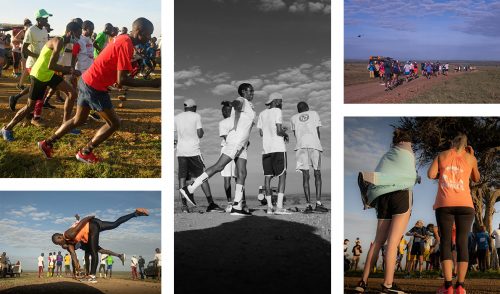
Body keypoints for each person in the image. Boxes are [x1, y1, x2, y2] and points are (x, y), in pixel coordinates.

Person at [37, 18, 161, 163]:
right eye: (148, 34)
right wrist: (153, 83)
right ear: (139, 31)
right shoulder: (126, 43)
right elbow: (123, 80)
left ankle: (47, 143)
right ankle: (85, 152)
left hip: (86, 80)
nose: (149, 38)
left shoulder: (122, 38)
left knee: (78, 119)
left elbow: (111, 62)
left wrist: (114, 78)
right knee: (114, 123)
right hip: (94, 86)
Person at [355, 128, 418, 293]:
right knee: (393, 242)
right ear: (408, 141)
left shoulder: (387, 155)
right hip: (401, 193)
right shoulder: (409, 151)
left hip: (382, 196)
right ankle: (387, 285)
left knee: (377, 241)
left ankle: (362, 283)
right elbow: (409, 174)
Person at [180, 83, 256, 216]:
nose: (252, 93)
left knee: (242, 173)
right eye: (250, 91)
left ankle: (237, 206)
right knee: (219, 166)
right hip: (236, 139)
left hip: (242, 143)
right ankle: (190, 188)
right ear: (243, 92)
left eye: (253, 91)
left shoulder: (249, 105)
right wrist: (233, 110)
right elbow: (237, 104)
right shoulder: (242, 100)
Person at [1, 21, 81, 142]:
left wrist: (66, 71)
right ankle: (7, 128)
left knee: (72, 93)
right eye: (78, 35)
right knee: (29, 107)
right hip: (39, 75)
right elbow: (51, 65)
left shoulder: (64, 43)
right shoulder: (58, 42)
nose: (79, 38)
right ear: (70, 32)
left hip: (49, 75)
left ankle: (65, 125)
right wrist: (70, 70)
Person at [428, 133, 480, 294]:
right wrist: (472, 157)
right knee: (462, 243)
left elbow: (430, 175)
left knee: (445, 242)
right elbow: (476, 178)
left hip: (445, 204)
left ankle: (448, 286)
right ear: (466, 146)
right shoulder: (471, 158)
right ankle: (461, 287)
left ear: (451, 143)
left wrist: (442, 173)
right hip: (465, 205)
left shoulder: (442, 155)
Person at [51, 208, 148, 283]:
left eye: (58, 243)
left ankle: (92, 276)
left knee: (93, 251)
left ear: (60, 237)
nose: (60, 245)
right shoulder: (69, 243)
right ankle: (135, 213)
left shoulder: (68, 234)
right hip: (95, 224)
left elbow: (81, 223)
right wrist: (77, 266)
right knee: (114, 224)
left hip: (91, 226)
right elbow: (73, 255)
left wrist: (89, 217)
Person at [175, 98, 223, 213]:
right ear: (194, 107)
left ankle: (184, 206)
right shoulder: (196, 116)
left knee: (182, 177)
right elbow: (200, 134)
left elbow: (173, 135)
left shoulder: (176, 117)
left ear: (185, 107)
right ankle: (210, 203)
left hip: (181, 152)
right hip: (194, 151)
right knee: (202, 176)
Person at [7, 10, 51, 125]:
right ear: (38, 19)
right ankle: (35, 116)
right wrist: (38, 56)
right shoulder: (31, 30)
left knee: (35, 88)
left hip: (42, 64)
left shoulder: (44, 30)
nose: (46, 20)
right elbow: (24, 49)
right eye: (44, 18)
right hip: (33, 64)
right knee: (40, 89)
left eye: (47, 18)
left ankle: (17, 99)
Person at [290, 101, 328, 213]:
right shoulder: (314, 113)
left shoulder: (293, 118)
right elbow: (317, 131)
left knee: (305, 176)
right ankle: (318, 203)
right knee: (317, 173)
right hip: (314, 145)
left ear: (298, 110)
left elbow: (295, 134)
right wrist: (317, 143)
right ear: (307, 108)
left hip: (301, 146)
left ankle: (308, 205)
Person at [257, 93, 290, 214]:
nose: (282, 104)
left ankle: (269, 207)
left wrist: (278, 131)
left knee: (267, 177)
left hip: (266, 149)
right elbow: (279, 131)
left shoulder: (262, 114)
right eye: (281, 101)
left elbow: (261, 133)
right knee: (282, 175)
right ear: (275, 101)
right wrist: (285, 134)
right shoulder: (277, 111)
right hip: (278, 148)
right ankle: (279, 207)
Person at [219, 101, 237, 211]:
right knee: (234, 177)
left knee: (233, 177)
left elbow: (227, 138)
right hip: (231, 150)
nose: (226, 112)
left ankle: (234, 202)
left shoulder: (227, 122)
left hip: (231, 149)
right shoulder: (234, 122)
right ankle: (233, 202)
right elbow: (227, 139)